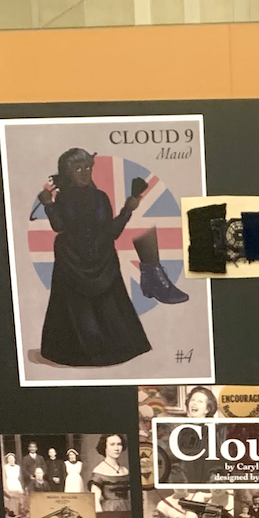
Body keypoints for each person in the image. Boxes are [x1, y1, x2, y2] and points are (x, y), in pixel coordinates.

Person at [36, 148, 152, 368]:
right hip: (71, 261)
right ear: (67, 172)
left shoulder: (101, 197)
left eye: (88, 167)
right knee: (77, 310)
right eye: (78, 168)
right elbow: (59, 226)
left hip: (103, 260)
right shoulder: (63, 197)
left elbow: (111, 232)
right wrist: (49, 205)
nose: (85, 172)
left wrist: (128, 210)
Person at [90, 433, 131, 512]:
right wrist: (101, 516)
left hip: (127, 508)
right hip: (109, 510)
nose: (116, 448)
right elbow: (95, 500)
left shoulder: (125, 470)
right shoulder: (99, 470)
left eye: (119, 444)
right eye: (112, 444)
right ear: (104, 447)